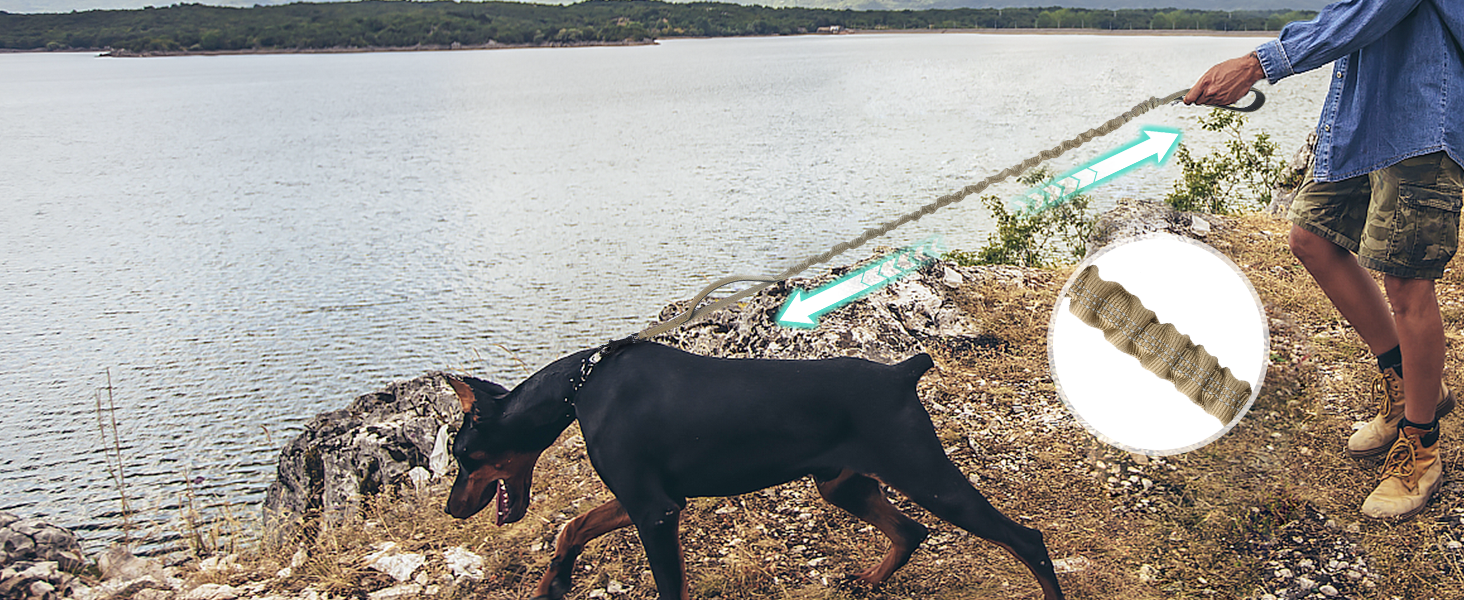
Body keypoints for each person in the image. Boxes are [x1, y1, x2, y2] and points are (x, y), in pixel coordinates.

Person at [1185, 0, 1464, 519]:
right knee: (1312, 238)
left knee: (1407, 285)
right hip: (1361, 114)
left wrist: (1258, 62)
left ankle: (1420, 449)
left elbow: (1375, 9)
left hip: (1423, 113)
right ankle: (1404, 383)